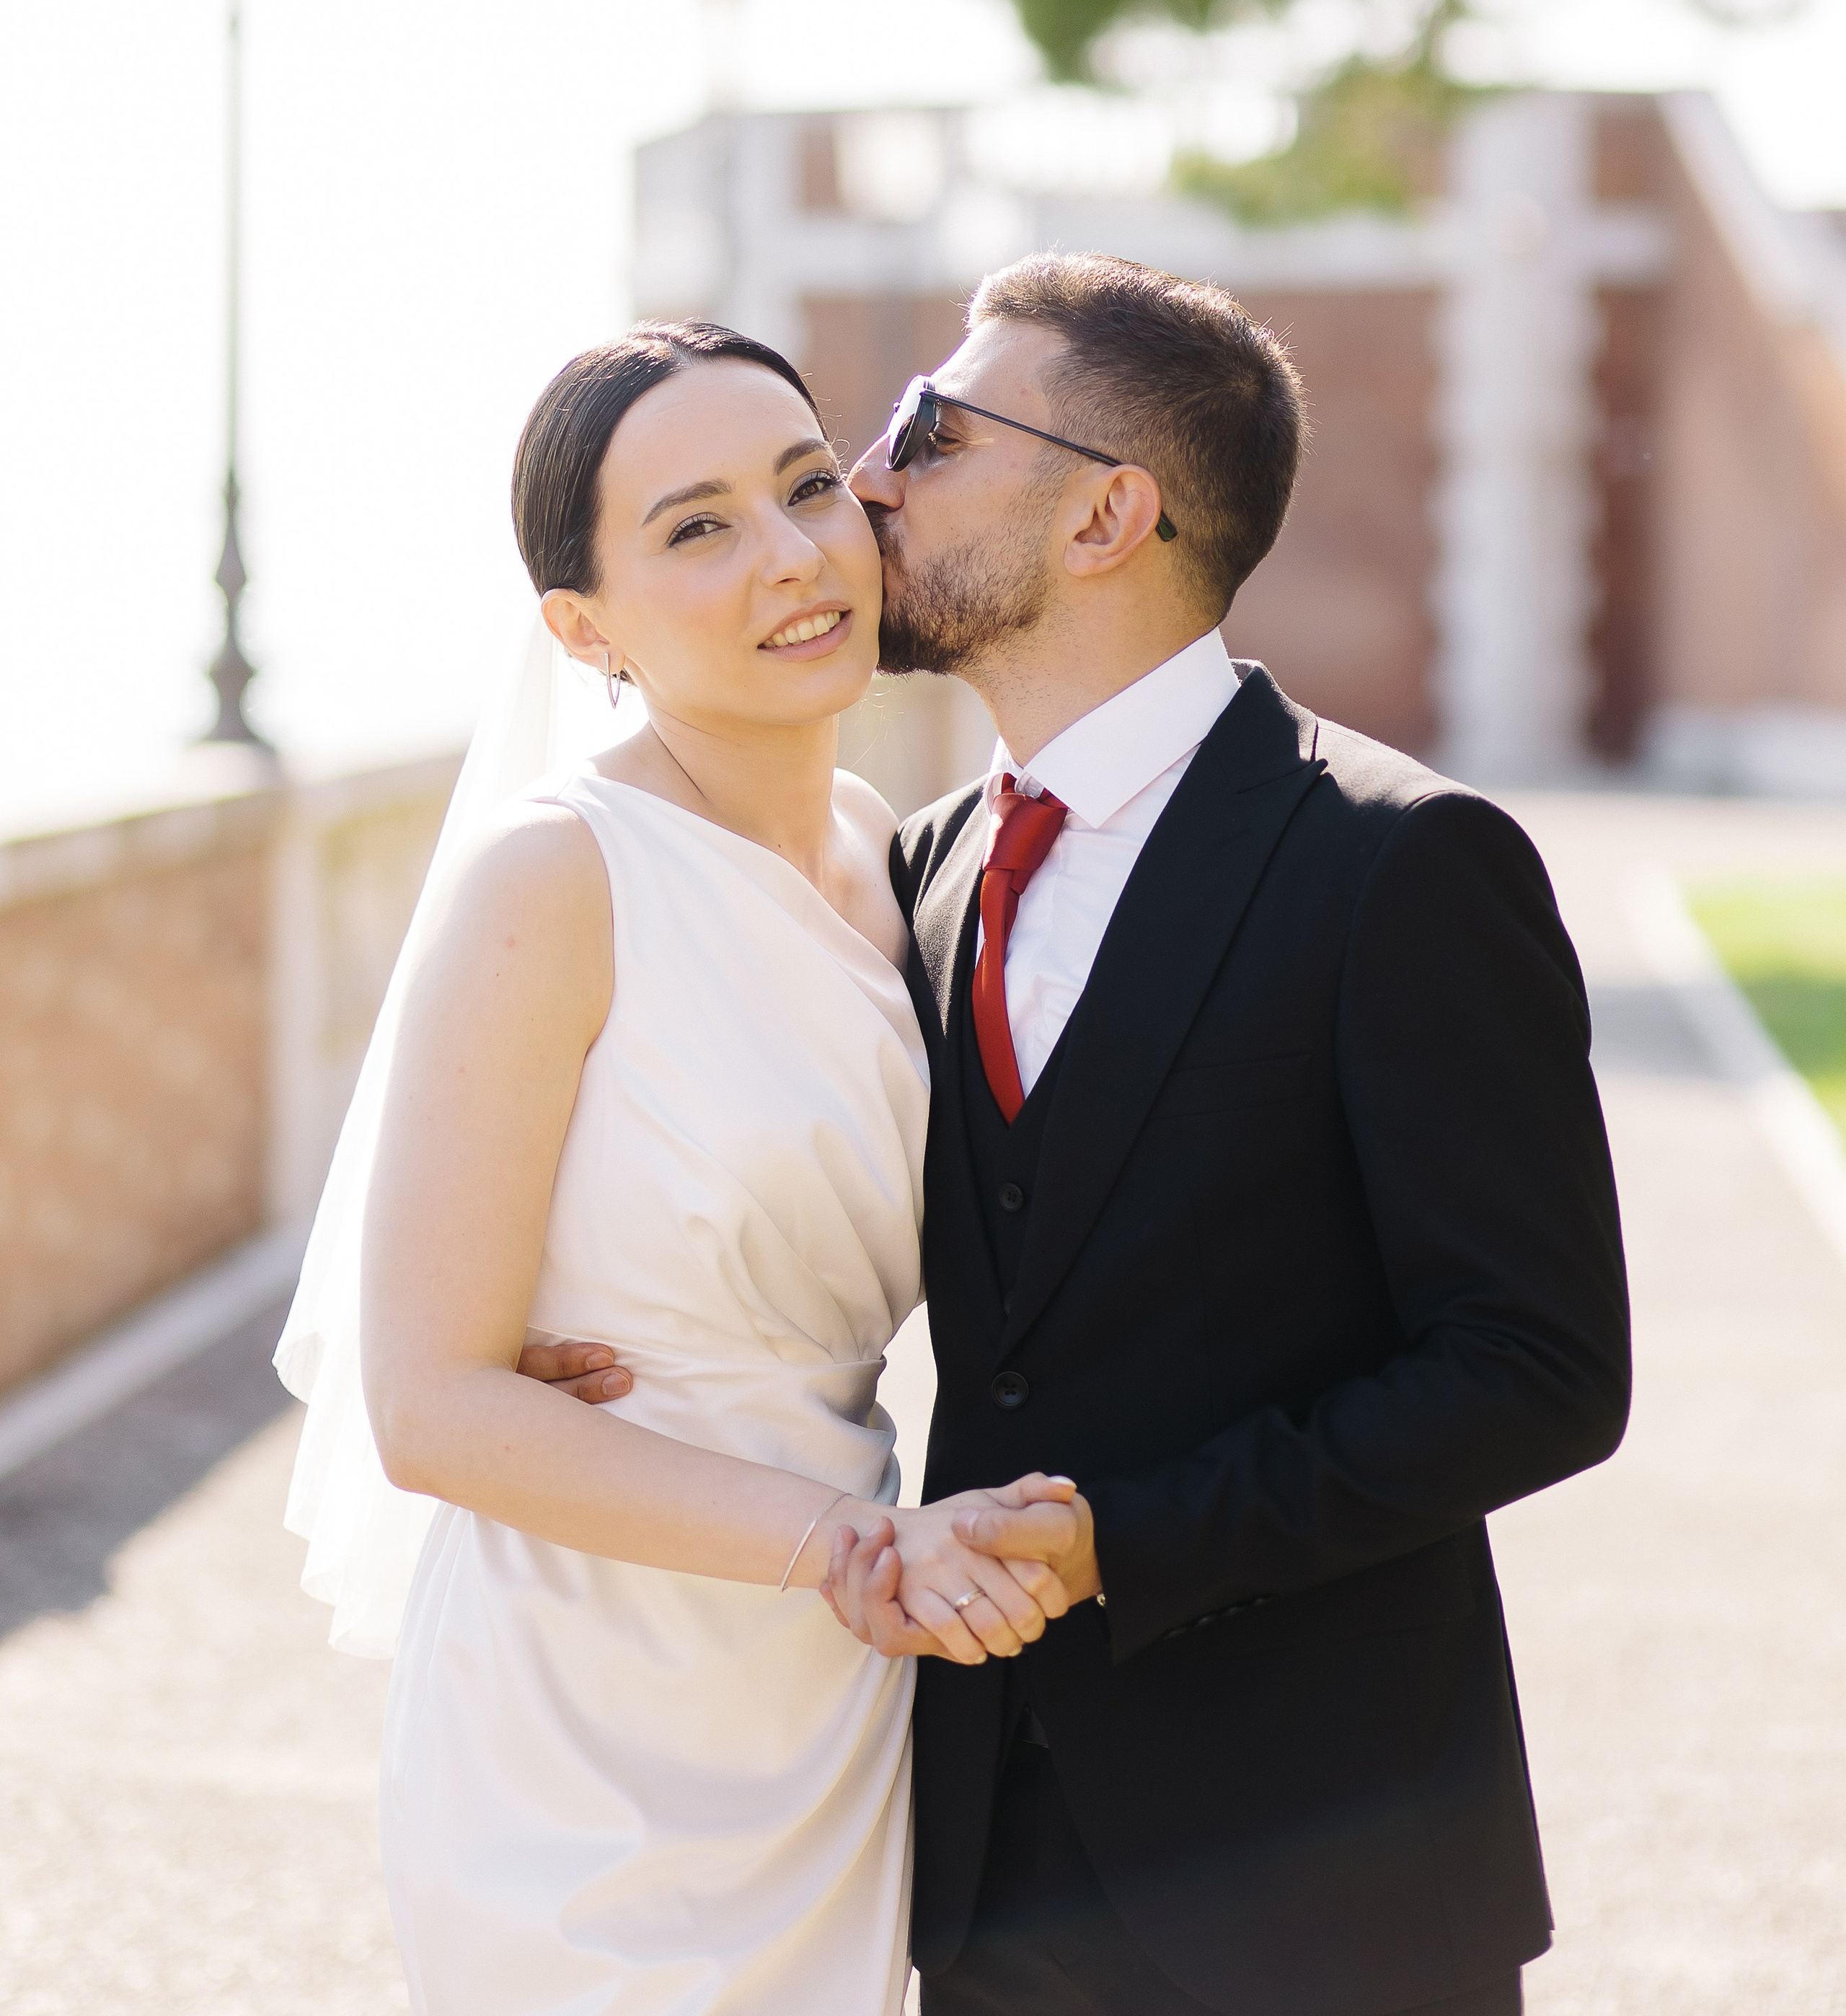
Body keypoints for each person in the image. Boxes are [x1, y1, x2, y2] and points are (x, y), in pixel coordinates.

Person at [530, 252, 1631, 2016]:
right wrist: (612, 1329)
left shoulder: (1401, 865)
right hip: (977, 1856)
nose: (866, 482)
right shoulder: (920, 864)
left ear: (1108, 512)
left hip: (1326, 1872)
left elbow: (1538, 1367)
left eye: (927, 431)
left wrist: (1125, 1535)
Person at [296, 320, 1074, 2016]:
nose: (794, 557)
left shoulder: (894, 858)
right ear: (583, 630)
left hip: (831, 1700)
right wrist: (839, 1545)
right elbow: (427, 1404)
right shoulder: (555, 879)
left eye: (808, 486)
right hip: (585, 1711)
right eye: (696, 525)